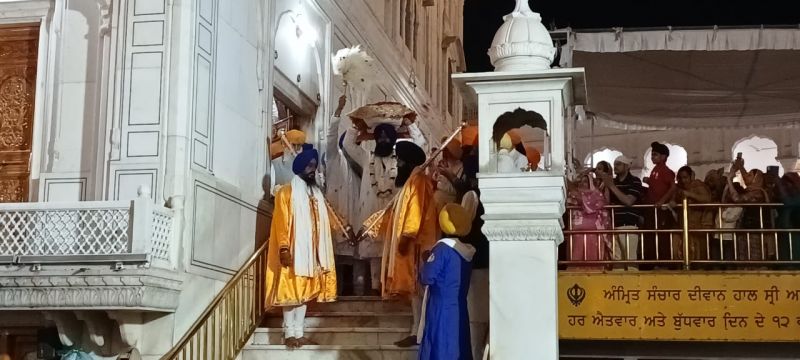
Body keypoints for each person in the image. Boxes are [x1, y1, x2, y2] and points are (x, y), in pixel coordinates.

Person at [264, 144, 352, 349]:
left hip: (312, 254)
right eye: (310, 166)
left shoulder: (316, 194)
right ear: (301, 168)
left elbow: (329, 217)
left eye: (314, 165)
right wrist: (284, 248)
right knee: (291, 293)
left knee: (304, 293)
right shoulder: (286, 193)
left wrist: (344, 227)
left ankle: (299, 332)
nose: (313, 169)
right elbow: (281, 221)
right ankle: (289, 333)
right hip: (294, 251)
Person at [366, 141, 437, 347]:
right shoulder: (411, 181)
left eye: (399, 160)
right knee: (415, 292)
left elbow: (415, 211)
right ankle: (417, 330)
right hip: (413, 242)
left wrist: (406, 236)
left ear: (406, 161)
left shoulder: (418, 181)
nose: (397, 164)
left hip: (418, 244)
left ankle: (420, 333)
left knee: (420, 290)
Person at [418, 203, 475, 360]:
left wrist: (425, 260)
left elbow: (427, 277)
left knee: (440, 347)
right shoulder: (468, 252)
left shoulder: (442, 249)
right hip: (460, 307)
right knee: (458, 345)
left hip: (440, 308)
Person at [596, 155, 644, 271]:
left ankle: (633, 288)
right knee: (617, 264)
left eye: (618, 164)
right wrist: (606, 185)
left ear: (626, 166)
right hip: (614, 225)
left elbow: (628, 201)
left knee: (630, 262)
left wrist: (611, 186)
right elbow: (607, 202)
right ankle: (618, 288)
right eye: (614, 164)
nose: (615, 166)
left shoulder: (635, 181)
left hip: (629, 225)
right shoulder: (614, 182)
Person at [726, 159, 773, 263]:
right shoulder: (753, 191)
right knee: (744, 258)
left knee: (754, 259)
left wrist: (729, 180)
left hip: (754, 231)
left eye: (750, 175)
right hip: (748, 229)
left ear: (756, 179)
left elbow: (737, 199)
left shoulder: (758, 193)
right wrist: (740, 167)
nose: (746, 177)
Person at [642, 142, 678, 269]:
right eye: (652, 155)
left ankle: (664, 263)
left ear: (663, 157)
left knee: (662, 236)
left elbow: (673, 187)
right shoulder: (655, 170)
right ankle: (653, 263)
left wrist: (662, 201)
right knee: (652, 235)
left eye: (655, 155)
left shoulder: (665, 170)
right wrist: (648, 181)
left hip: (660, 209)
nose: (652, 157)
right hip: (652, 209)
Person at [567, 170, 610, 270]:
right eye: (580, 181)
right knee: (575, 260)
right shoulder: (572, 195)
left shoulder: (596, 194)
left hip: (593, 233)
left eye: (585, 181)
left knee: (593, 262)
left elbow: (590, 204)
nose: (582, 183)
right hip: (576, 233)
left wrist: (568, 181)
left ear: (591, 183)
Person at [675, 166, 714, 263]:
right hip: (688, 226)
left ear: (691, 176)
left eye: (685, 177)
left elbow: (706, 199)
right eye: (681, 178)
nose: (683, 181)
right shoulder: (681, 188)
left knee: (700, 254)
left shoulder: (697, 184)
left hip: (699, 225)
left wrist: (689, 194)